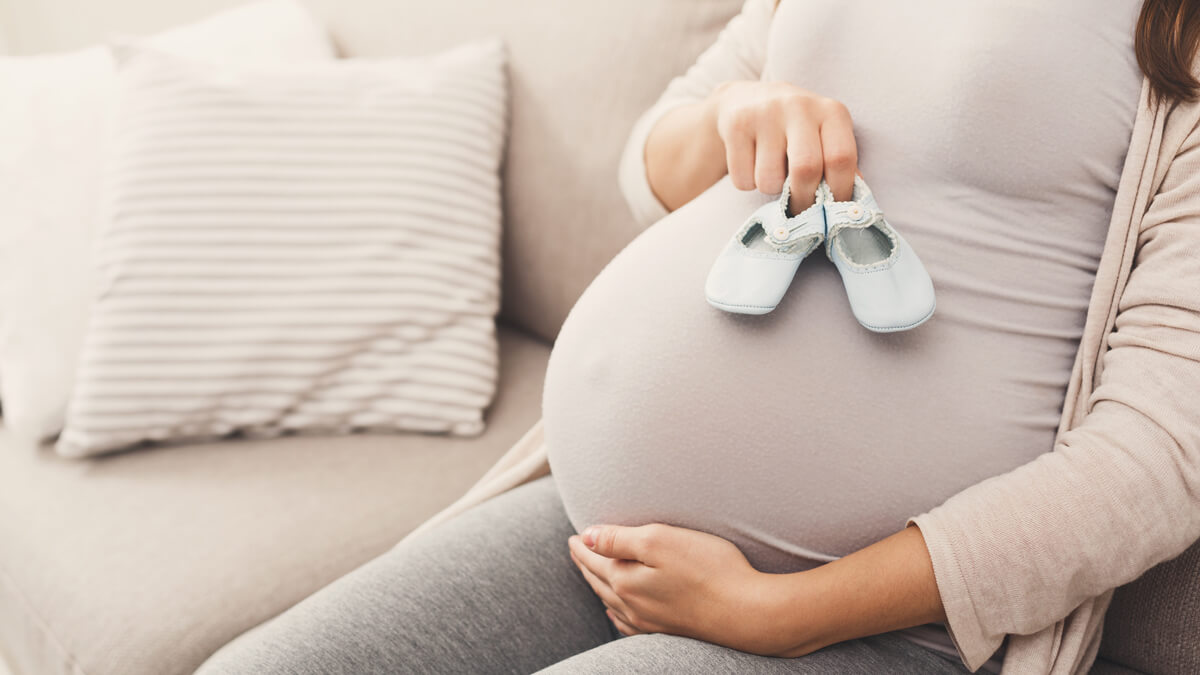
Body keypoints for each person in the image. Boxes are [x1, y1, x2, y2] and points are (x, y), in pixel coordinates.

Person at [199, 1, 1200, 673]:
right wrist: (735, 114)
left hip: (880, 622)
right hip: (611, 533)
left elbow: (1155, 464)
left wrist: (777, 613)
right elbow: (655, 161)